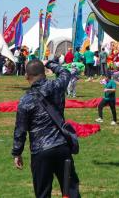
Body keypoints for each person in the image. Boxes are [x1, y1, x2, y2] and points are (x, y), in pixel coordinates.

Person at [12, 60, 80, 198]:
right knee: (71, 190)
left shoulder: (25, 100)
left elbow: (20, 130)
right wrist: (49, 63)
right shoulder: (57, 86)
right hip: (61, 146)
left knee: (43, 193)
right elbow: (65, 72)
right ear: (45, 73)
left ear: (27, 76)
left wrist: (17, 152)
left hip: (40, 151)